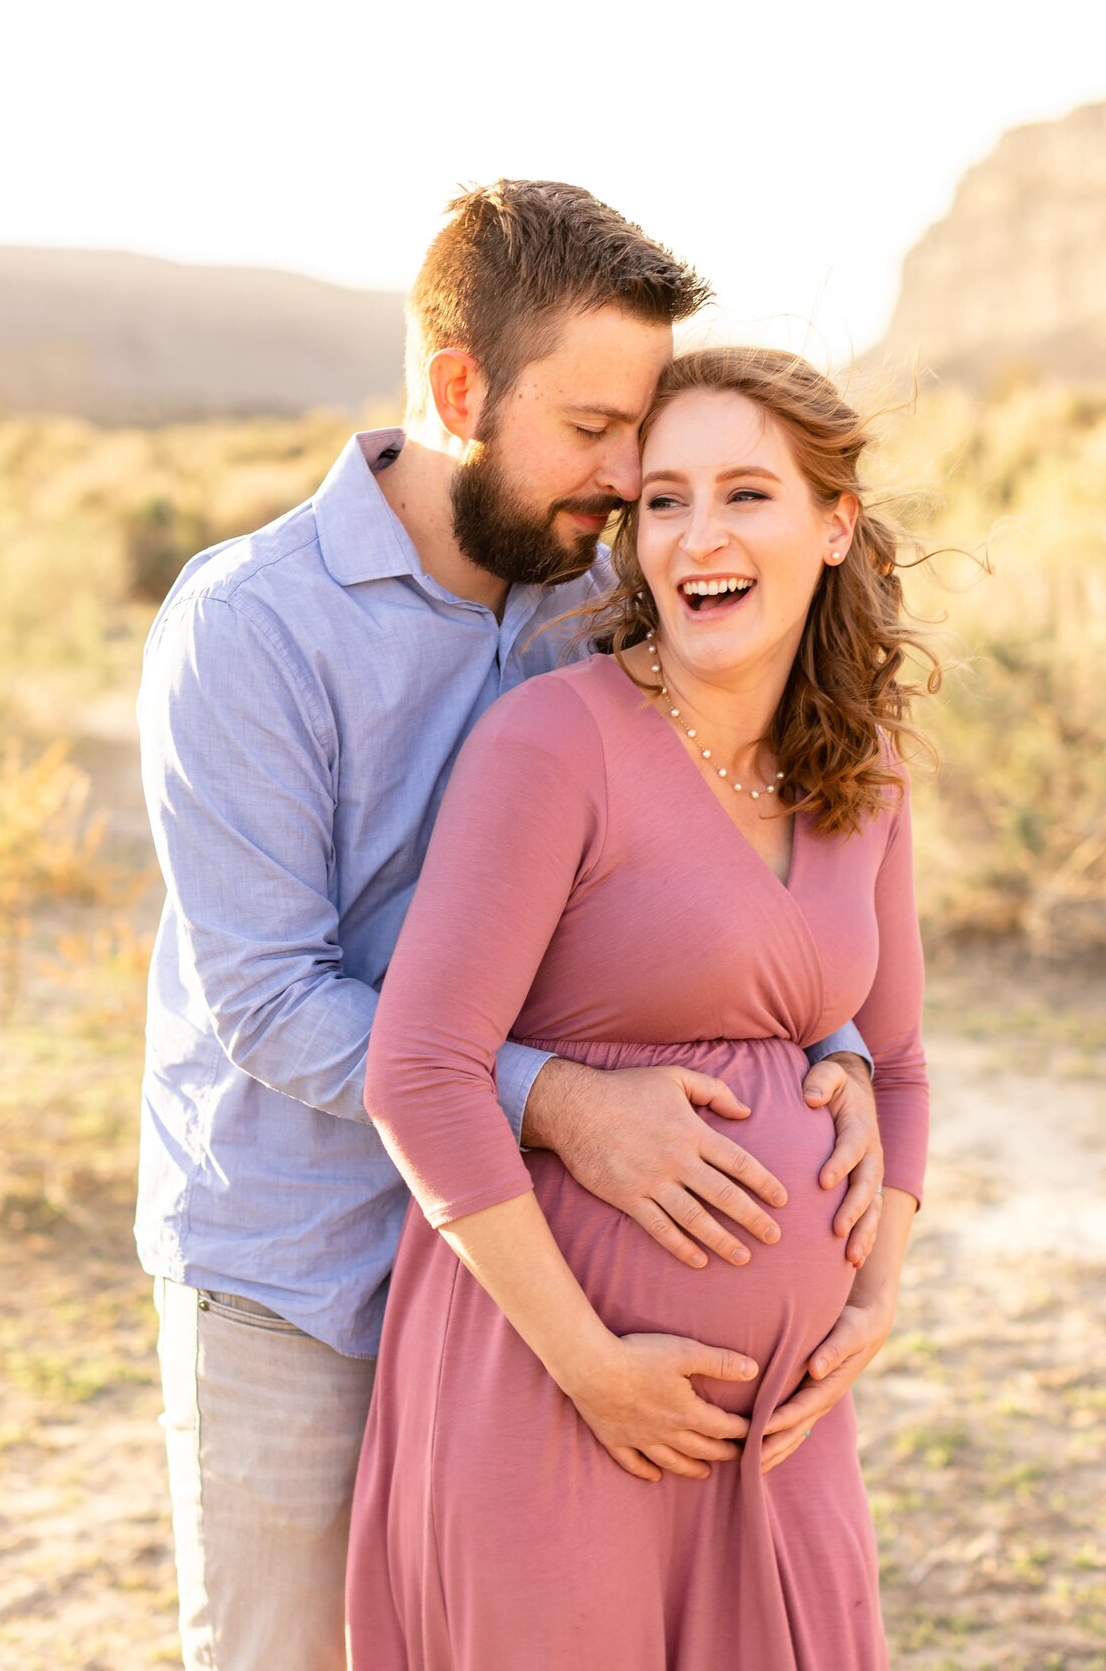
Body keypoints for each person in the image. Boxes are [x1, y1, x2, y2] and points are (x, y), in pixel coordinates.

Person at [135, 184, 881, 1671]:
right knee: (283, 1653)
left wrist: (834, 1042)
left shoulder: (596, 588)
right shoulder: (253, 629)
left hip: (525, 1283)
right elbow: (274, 1001)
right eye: (595, 429)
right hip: (304, 1271)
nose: (628, 479)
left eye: (645, 432)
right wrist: (560, 1109)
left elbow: (726, 831)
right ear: (460, 387)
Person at [349, 344, 931, 1670]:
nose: (696, 535)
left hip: (781, 1428)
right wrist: (590, 1365)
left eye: (745, 494)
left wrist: (872, 1298)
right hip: (549, 1393)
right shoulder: (556, 743)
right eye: (662, 500)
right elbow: (420, 1069)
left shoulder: (866, 769)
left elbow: (897, 1065)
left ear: (834, 524)